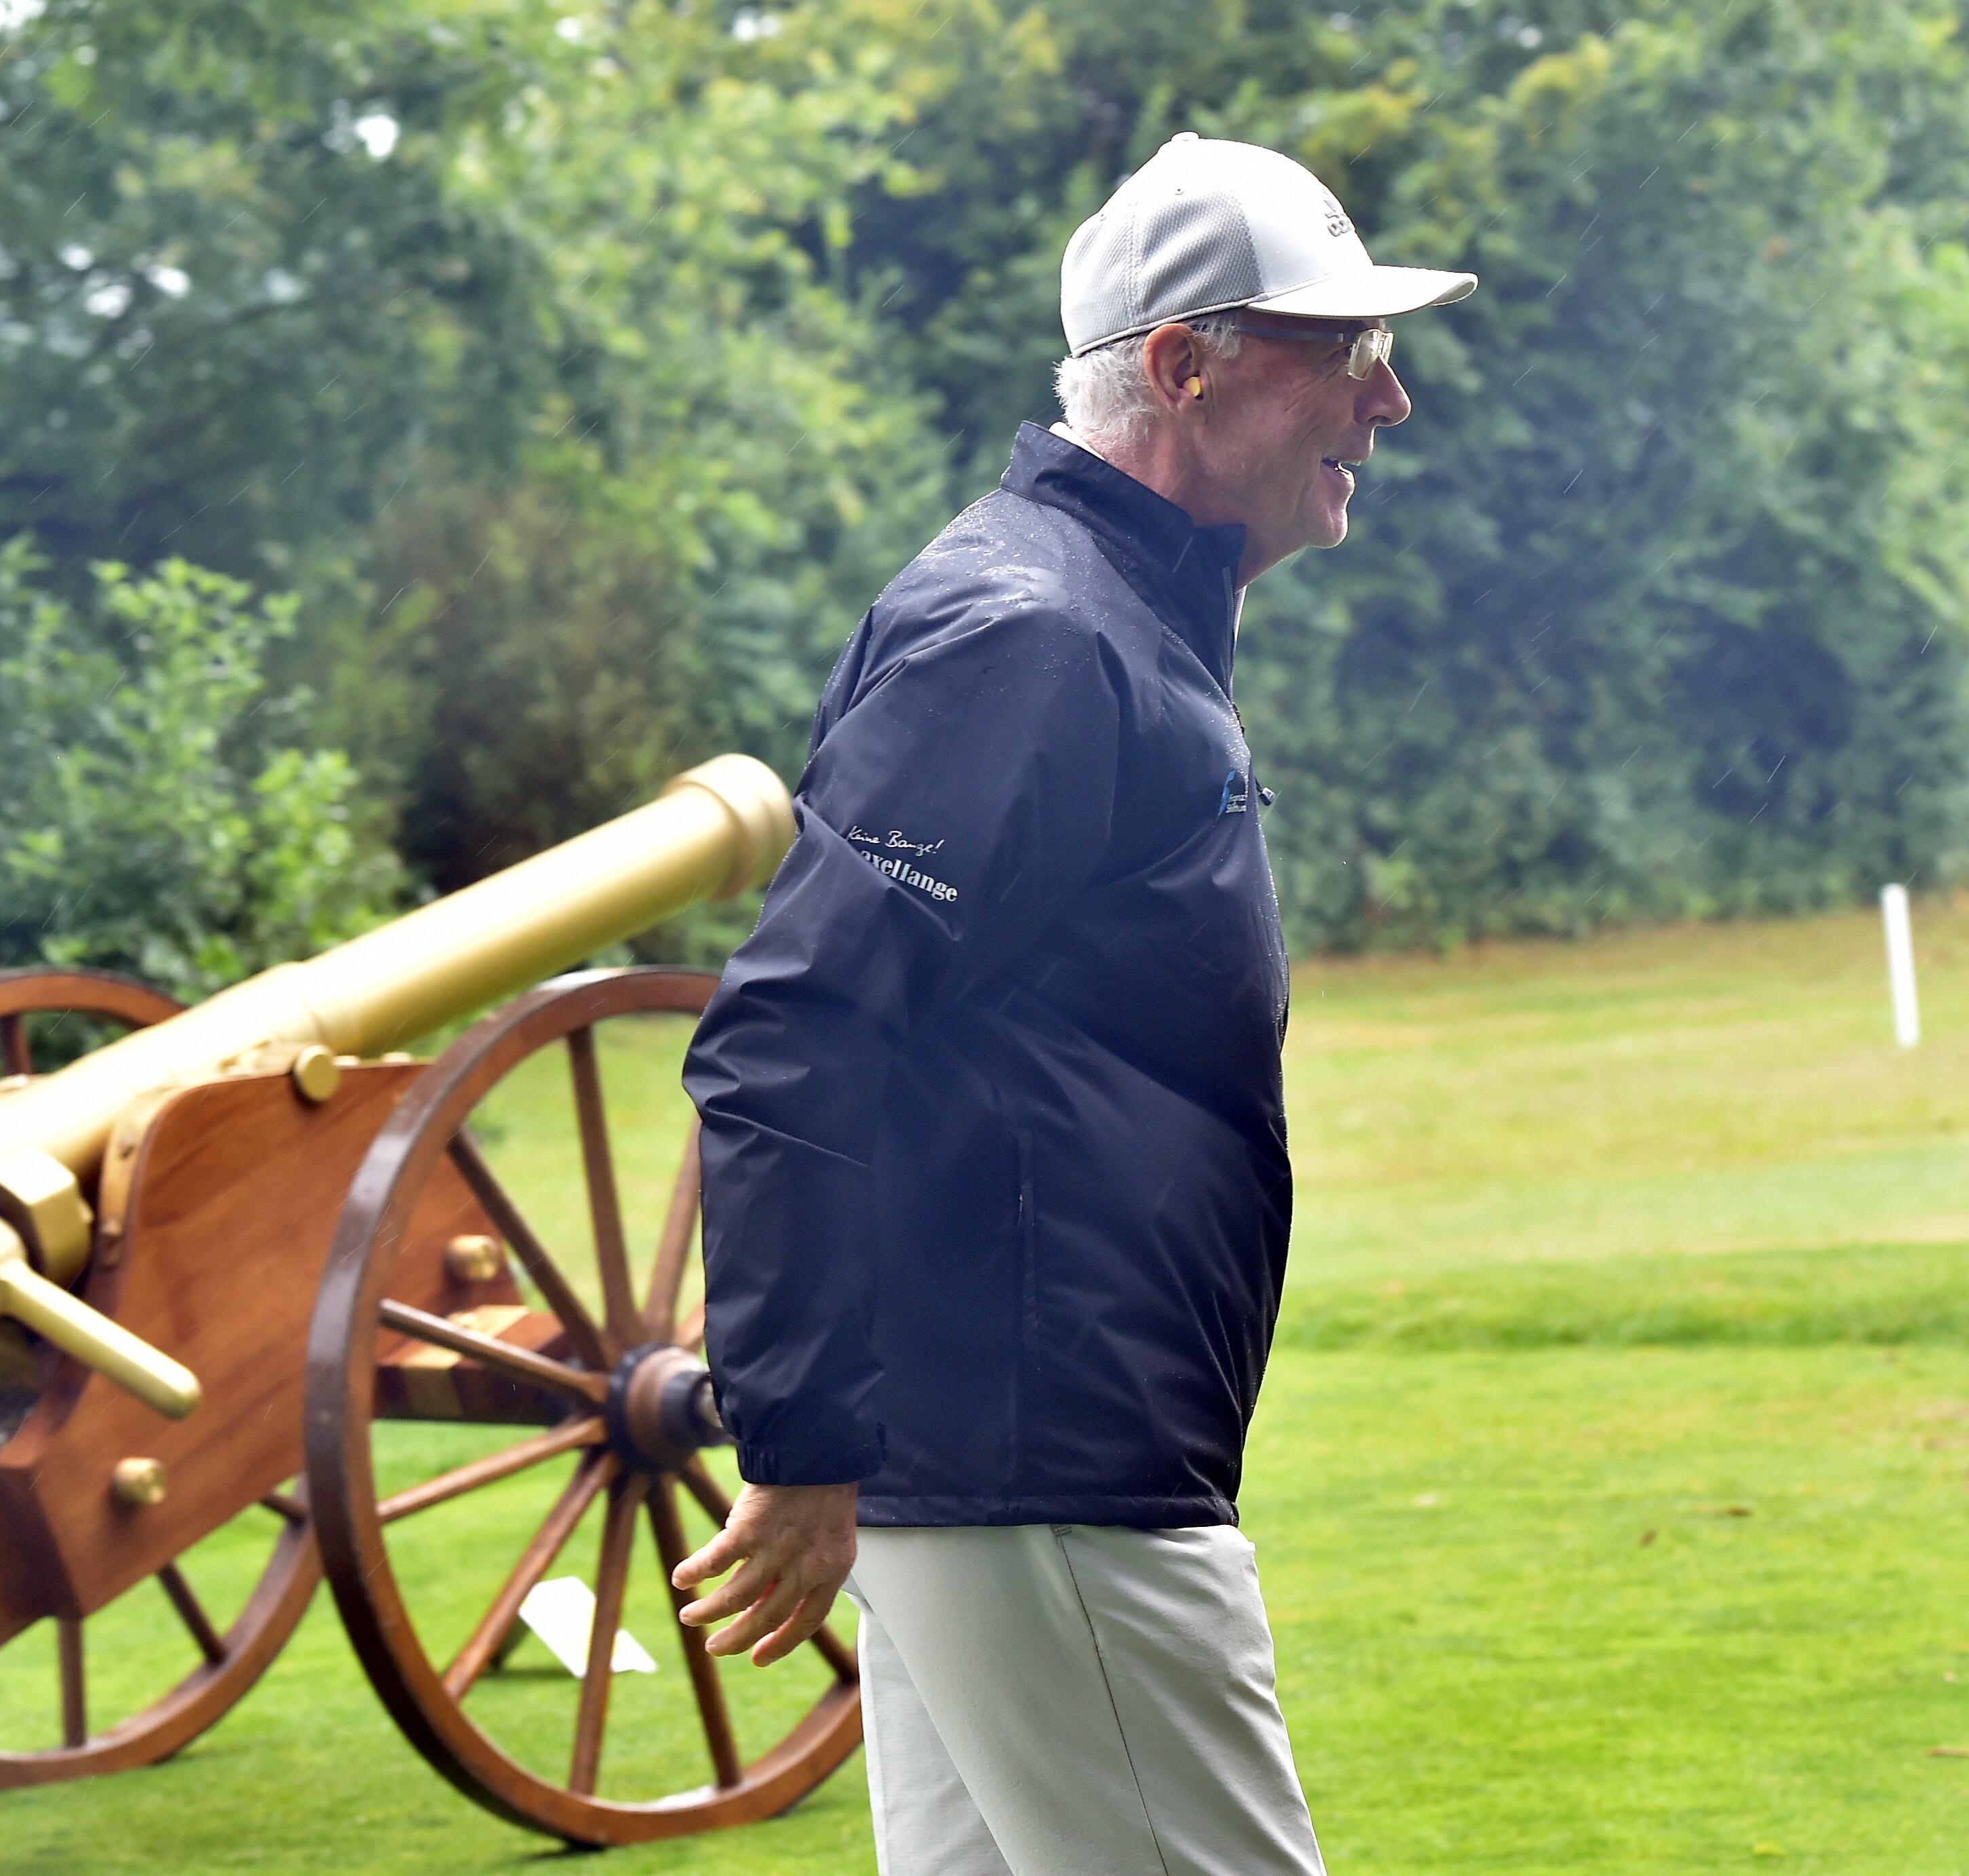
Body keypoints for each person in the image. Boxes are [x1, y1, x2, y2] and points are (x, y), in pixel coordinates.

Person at [671, 133, 1474, 1875]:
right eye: (1340, 349)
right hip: (1042, 1463)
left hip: (1013, 1463)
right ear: (1183, 364)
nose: (1389, 398)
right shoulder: (1037, 632)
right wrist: (801, 1435)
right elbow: (789, 1036)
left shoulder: (1093, 616)